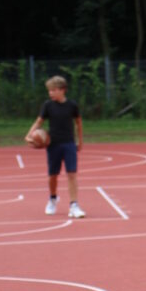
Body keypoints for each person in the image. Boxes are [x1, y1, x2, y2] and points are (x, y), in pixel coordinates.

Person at [25, 75, 85, 218]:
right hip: (53, 145)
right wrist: (29, 135)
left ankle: (74, 205)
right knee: (53, 175)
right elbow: (38, 122)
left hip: (69, 143)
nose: (50, 93)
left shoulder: (72, 105)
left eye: (53, 90)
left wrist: (80, 141)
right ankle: (52, 199)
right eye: (49, 90)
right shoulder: (48, 105)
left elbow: (78, 123)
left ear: (62, 90)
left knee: (72, 174)